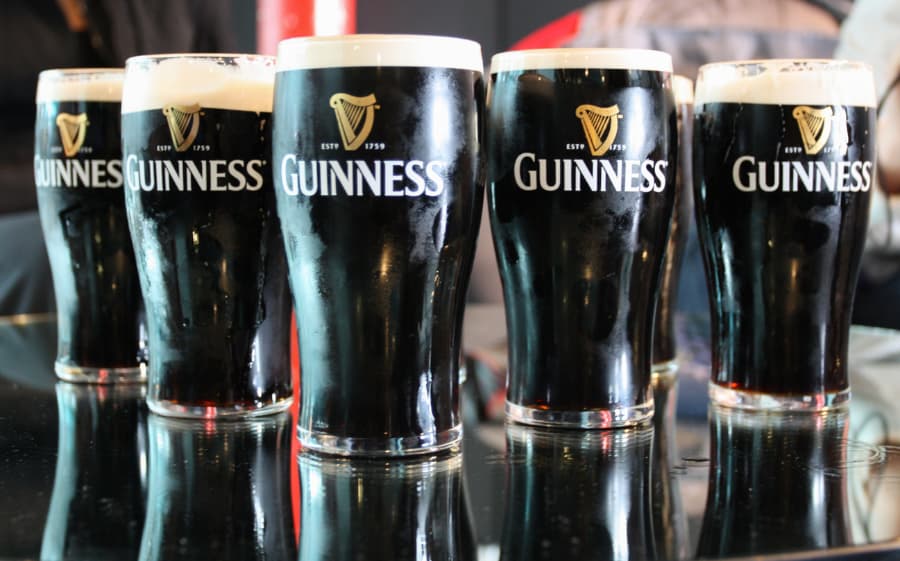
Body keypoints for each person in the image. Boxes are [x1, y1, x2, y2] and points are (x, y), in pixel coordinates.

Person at [0, 0, 235, 315]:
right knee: (80, 257)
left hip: (151, 200)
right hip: (21, 214)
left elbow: (225, 87)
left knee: (210, 247)